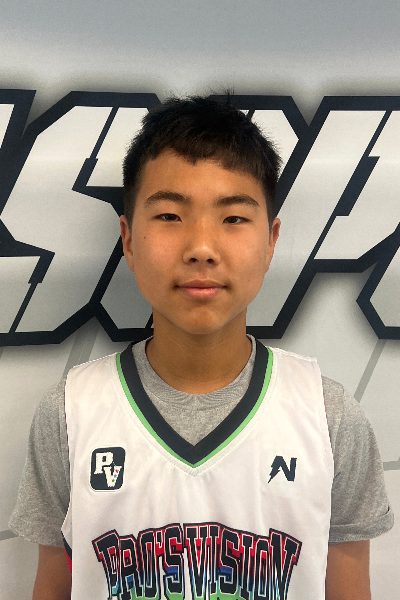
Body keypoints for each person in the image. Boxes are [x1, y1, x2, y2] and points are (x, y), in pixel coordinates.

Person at [10, 95, 393, 600]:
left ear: (271, 239)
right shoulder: (70, 412)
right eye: (170, 215)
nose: (201, 248)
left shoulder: (328, 417)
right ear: (128, 239)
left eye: (233, 218)